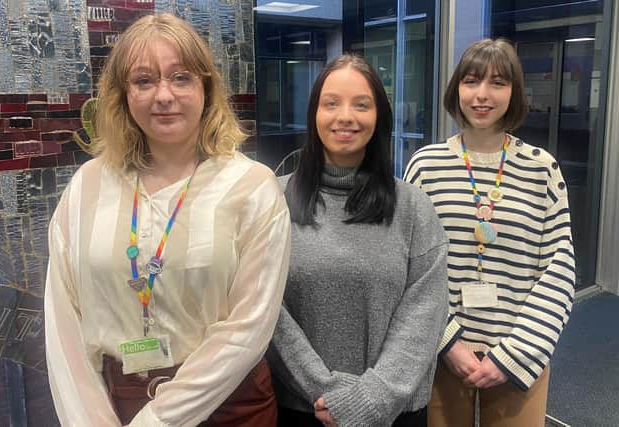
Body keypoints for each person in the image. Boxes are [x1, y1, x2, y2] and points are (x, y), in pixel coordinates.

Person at [44, 13, 291, 427]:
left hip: (229, 407)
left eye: (181, 77)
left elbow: (248, 327)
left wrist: (156, 420)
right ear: (122, 95)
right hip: (113, 406)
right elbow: (63, 319)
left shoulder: (252, 187)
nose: (164, 95)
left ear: (206, 88)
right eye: (144, 81)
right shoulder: (86, 186)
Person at [267, 54, 449, 427]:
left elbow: (425, 314)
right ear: (314, 114)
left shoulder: (413, 207)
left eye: (361, 104)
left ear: (379, 116)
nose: (345, 116)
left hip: (393, 411)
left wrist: (372, 399)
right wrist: (329, 392)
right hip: (303, 409)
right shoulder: (272, 200)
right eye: (330, 103)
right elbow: (266, 312)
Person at [404, 38, 575, 427]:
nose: (482, 95)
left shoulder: (541, 169)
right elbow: (409, 267)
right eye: (471, 81)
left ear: (514, 92)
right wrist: (449, 342)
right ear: (456, 89)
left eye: (497, 82)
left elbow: (559, 269)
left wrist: (513, 354)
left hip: (519, 353)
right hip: (441, 351)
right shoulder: (426, 166)